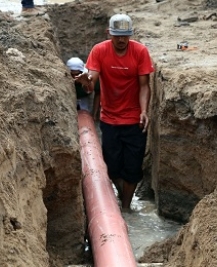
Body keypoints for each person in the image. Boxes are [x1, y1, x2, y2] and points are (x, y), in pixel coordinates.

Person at [75, 14, 154, 212]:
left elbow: (145, 86)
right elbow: (92, 76)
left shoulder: (140, 52)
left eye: (125, 36)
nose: (121, 40)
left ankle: (126, 208)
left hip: (135, 120)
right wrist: (87, 81)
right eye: (117, 35)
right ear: (109, 33)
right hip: (109, 119)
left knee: (133, 169)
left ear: (130, 35)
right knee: (112, 168)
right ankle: (121, 198)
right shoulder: (100, 51)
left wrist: (144, 111)